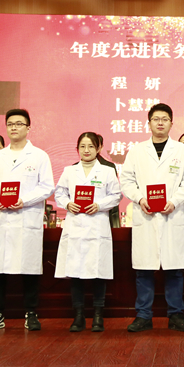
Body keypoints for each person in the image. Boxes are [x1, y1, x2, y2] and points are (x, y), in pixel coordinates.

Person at [120, 103, 184, 332]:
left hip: (172, 215)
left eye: (164, 119)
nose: (160, 123)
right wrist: (140, 198)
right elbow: (127, 181)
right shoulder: (136, 151)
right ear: (149, 123)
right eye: (156, 119)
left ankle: (176, 315)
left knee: (174, 269)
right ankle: (143, 315)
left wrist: (174, 201)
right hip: (146, 215)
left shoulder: (181, 151)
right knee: (144, 269)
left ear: (172, 123)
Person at [0, 109, 54, 331]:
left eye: (19, 124)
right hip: (1, 219)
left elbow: (46, 186)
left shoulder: (39, 156)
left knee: (29, 267)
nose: (14, 127)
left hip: (26, 219)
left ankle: (31, 313)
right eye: (10, 124)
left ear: (28, 127)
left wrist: (25, 200)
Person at [54, 132, 122, 332]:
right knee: (75, 272)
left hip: (97, 225)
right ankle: (79, 316)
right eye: (82, 146)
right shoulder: (69, 171)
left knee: (98, 272)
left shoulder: (107, 171)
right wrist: (68, 203)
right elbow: (59, 193)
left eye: (91, 146)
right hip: (75, 225)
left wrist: (99, 205)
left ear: (98, 148)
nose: (86, 150)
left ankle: (98, 316)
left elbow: (116, 195)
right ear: (77, 149)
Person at [95, 134, 120, 228]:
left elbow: (114, 194)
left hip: (104, 214)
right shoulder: (74, 168)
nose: (87, 150)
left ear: (100, 147)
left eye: (93, 146)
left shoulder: (109, 167)